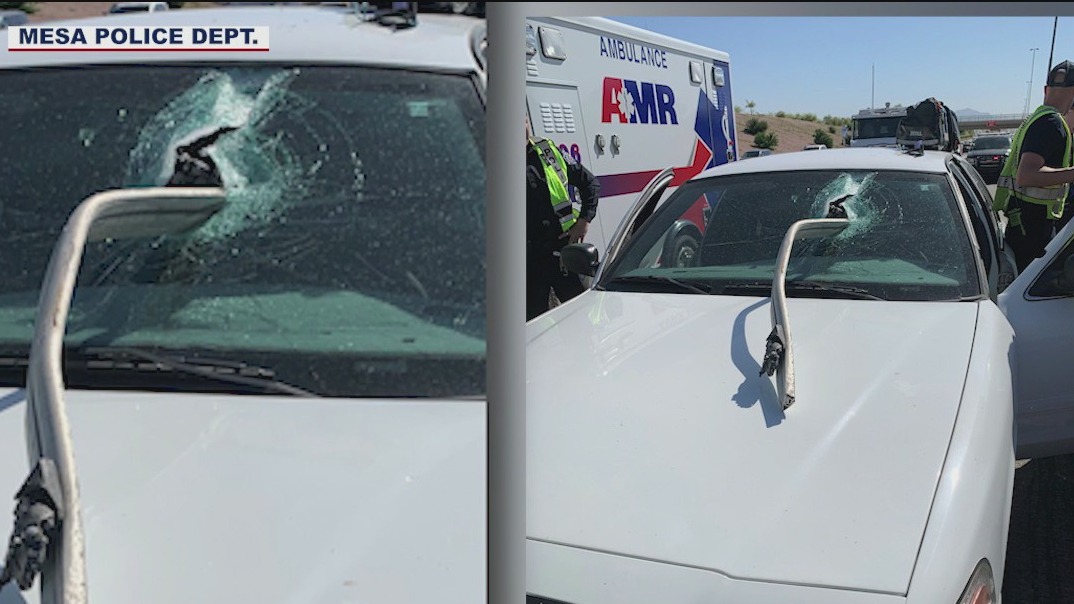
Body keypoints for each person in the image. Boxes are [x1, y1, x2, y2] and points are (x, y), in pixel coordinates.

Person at [994, 60, 1074, 272]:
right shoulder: (1052, 123)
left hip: (1024, 223)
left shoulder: (1039, 117)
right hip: (1033, 229)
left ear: (1045, 89)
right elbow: (1026, 175)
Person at [526, 113, 600, 321]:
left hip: (563, 255)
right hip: (528, 263)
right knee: (533, 331)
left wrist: (584, 221)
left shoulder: (546, 151)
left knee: (582, 320)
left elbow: (590, 184)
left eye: (521, 120)